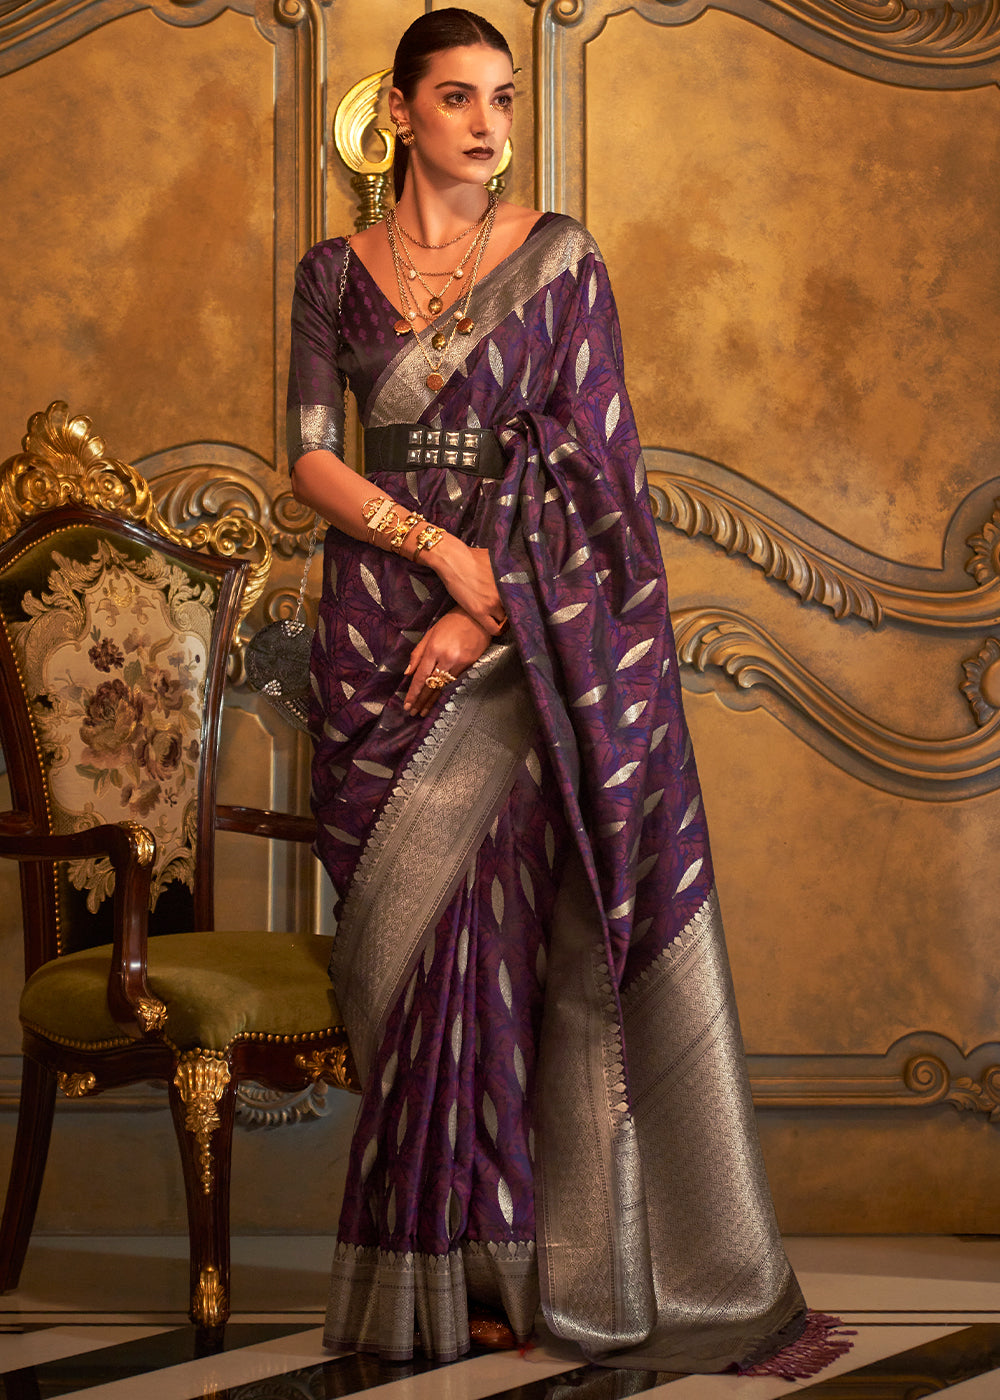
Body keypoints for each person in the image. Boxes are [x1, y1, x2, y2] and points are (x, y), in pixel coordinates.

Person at [286, 7, 850, 1378]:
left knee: (502, 956)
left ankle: (518, 1273)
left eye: (504, 97)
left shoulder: (560, 260)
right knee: (407, 970)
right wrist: (441, 559)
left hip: (521, 647)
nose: (488, 124)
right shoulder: (332, 273)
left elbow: (596, 473)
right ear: (399, 112)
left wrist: (488, 611)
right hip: (372, 634)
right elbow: (308, 455)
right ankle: (430, 1272)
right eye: (458, 98)